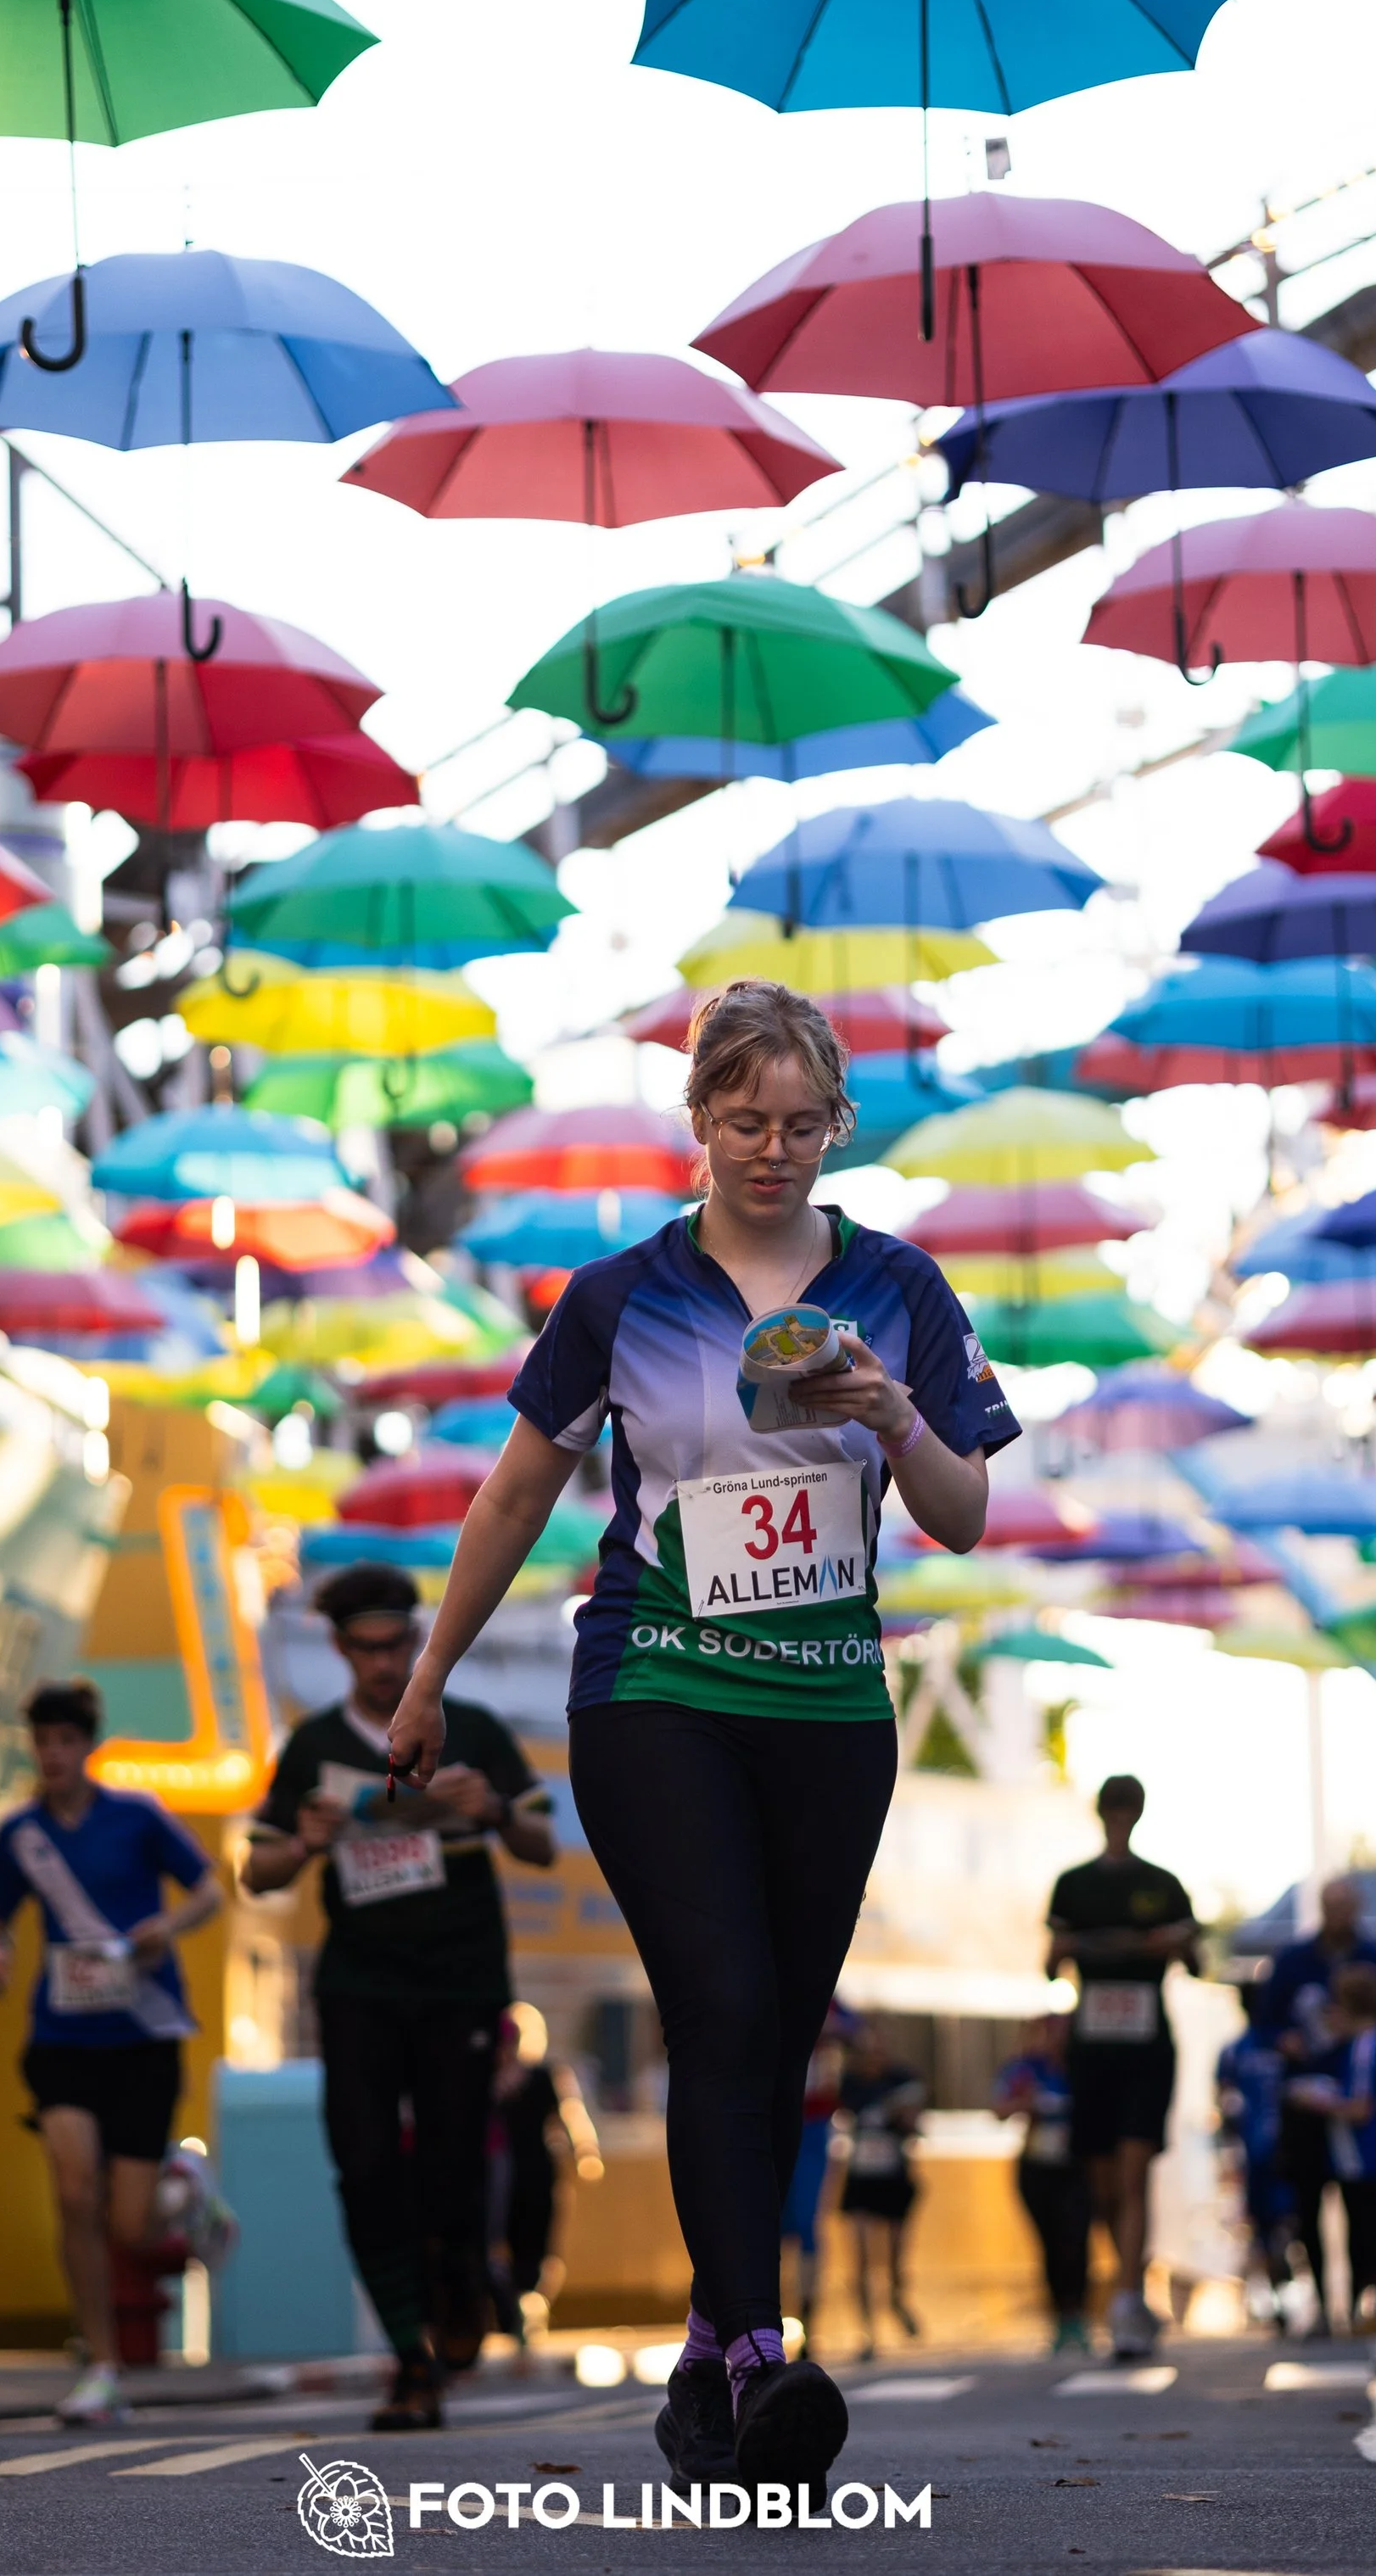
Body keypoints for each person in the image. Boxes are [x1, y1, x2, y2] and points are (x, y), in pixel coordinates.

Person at [383, 979, 1019, 2500]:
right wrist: (424, 1684)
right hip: (657, 1683)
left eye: (803, 1124)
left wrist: (888, 1417)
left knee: (775, 2037)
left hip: (827, 1701)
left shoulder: (900, 1288)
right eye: (745, 1120)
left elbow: (963, 1511)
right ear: (699, 1119)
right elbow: (517, 1497)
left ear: (839, 1126)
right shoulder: (619, 1295)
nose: (774, 1149)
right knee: (722, 2002)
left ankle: (703, 2345)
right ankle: (757, 2356)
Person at [241, 1562, 555, 2433]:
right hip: (358, 1985)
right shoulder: (313, 1747)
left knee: (453, 2165)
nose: (384, 1664)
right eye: (366, 1648)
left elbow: (540, 1842)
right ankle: (411, 2354)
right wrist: (302, 1841)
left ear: (419, 1637)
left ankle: (459, 2281)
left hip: (461, 1984)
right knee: (366, 2161)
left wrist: (491, 1807)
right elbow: (253, 1869)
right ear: (339, 1648)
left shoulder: (477, 1728)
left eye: (397, 1644)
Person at [0, 1678, 226, 2428]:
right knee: (73, 2193)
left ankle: (185, 2182)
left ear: (89, 1746)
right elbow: (0, 1920)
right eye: (42, 1742)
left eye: (65, 1741)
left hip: (143, 2033)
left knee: (130, 2225)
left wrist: (166, 1927)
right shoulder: (18, 1834)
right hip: (62, 2037)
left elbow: (212, 1891)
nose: (52, 1755)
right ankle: (103, 2363)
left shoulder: (138, 1818)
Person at [1046, 1774, 1200, 2361]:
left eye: (1126, 1810)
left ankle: (1128, 2298)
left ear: (1137, 1814)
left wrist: (1167, 1942)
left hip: (1145, 2047)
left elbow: (1193, 1954)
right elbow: (1052, 1962)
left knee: (1134, 2172)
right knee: (1104, 2183)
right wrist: (1086, 1947)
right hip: (1093, 2047)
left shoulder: (1162, 1884)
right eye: (1112, 1810)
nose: (1119, 1818)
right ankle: (1133, 2280)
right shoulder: (1073, 1885)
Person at [1280, 1961, 1376, 2330]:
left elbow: (1360, 2107)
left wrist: (1315, 2099)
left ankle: (1366, 2307)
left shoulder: (1365, 2046)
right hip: (1361, 2152)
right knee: (1365, 2228)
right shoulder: (1365, 2044)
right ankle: (1366, 2305)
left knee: (1363, 2231)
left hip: (1361, 2153)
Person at [486, 2002, 601, 2356]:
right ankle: (512, 2313)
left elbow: (571, 2114)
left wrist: (585, 2150)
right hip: (499, 2174)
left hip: (539, 2171)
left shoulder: (546, 2075)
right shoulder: (490, 2080)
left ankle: (529, 2310)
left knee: (536, 2246)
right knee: (498, 2243)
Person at [995, 2013, 1091, 2355]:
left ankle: (1079, 2316)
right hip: (1037, 2166)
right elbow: (1000, 2108)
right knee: (1050, 2242)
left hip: (1076, 2166)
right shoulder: (1026, 2069)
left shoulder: (1083, 2069)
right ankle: (1059, 2319)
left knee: (1075, 2239)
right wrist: (1028, 2103)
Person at [836, 2018, 926, 2360]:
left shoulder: (903, 2079)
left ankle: (897, 2298)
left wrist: (905, 2117)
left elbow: (915, 2121)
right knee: (859, 2255)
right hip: (861, 2175)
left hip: (894, 2175)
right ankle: (867, 2332)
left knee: (896, 2256)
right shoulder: (851, 2084)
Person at [1257, 1875, 1376, 2064]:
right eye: (1331, 1907)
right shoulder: (1291, 1960)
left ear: (1356, 1907)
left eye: (1343, 1906)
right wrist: (1283, 2039)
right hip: (1303, 2073)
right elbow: (1264, 2023)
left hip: (1357, 2073)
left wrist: (1356, 2028)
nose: (1337, 1915)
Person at [1215, 1986, 1295, 2330]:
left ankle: (1286, 2288)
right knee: (1265, 2226)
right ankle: (1276, 2296)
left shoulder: (1278, 2046)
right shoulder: (1236, 2051)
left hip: (1284, 2152)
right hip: (1256, 2154)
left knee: (1286, 2222)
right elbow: (1223, 2100)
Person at [780, 2018, 847, 2348]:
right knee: (772, 2226)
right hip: (773, 2121)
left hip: (812, 2128)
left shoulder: (831, 2010)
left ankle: (807, 2316)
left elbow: (854, 2031)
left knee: (807, 2225)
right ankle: (767, 2319)